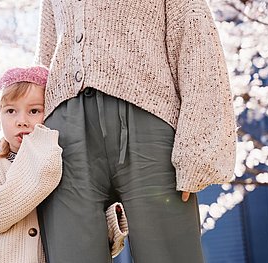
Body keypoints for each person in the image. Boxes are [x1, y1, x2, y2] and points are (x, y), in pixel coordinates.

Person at [34, 0, 237, 263]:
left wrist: (197, 148)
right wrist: (2, 147)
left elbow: (196, 36)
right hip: (64, 140)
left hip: (149, 128)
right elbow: (44, 62)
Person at [0, 66, 128, 262]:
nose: (22, 121)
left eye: (34, 110)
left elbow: (77, 236)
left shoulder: (61, 163)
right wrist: (40, 150)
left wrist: (111, 220)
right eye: (10, 110)